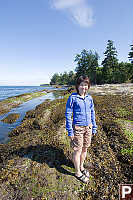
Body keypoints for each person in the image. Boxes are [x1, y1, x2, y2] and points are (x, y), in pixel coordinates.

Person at [65, 75, 97, 183]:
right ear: (78, 86)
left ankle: (82, 167)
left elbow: (92, 113)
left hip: (88, 127)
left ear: (88, 86)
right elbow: (68, 115)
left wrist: (94, 127)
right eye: (82, 85)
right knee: (77, 150)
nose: (84, 87)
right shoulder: (72, 98)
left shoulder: (89, 98)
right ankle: (77, 172)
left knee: (85, 149)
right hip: (77, 128)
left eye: (86, 85)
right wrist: (70, 131)